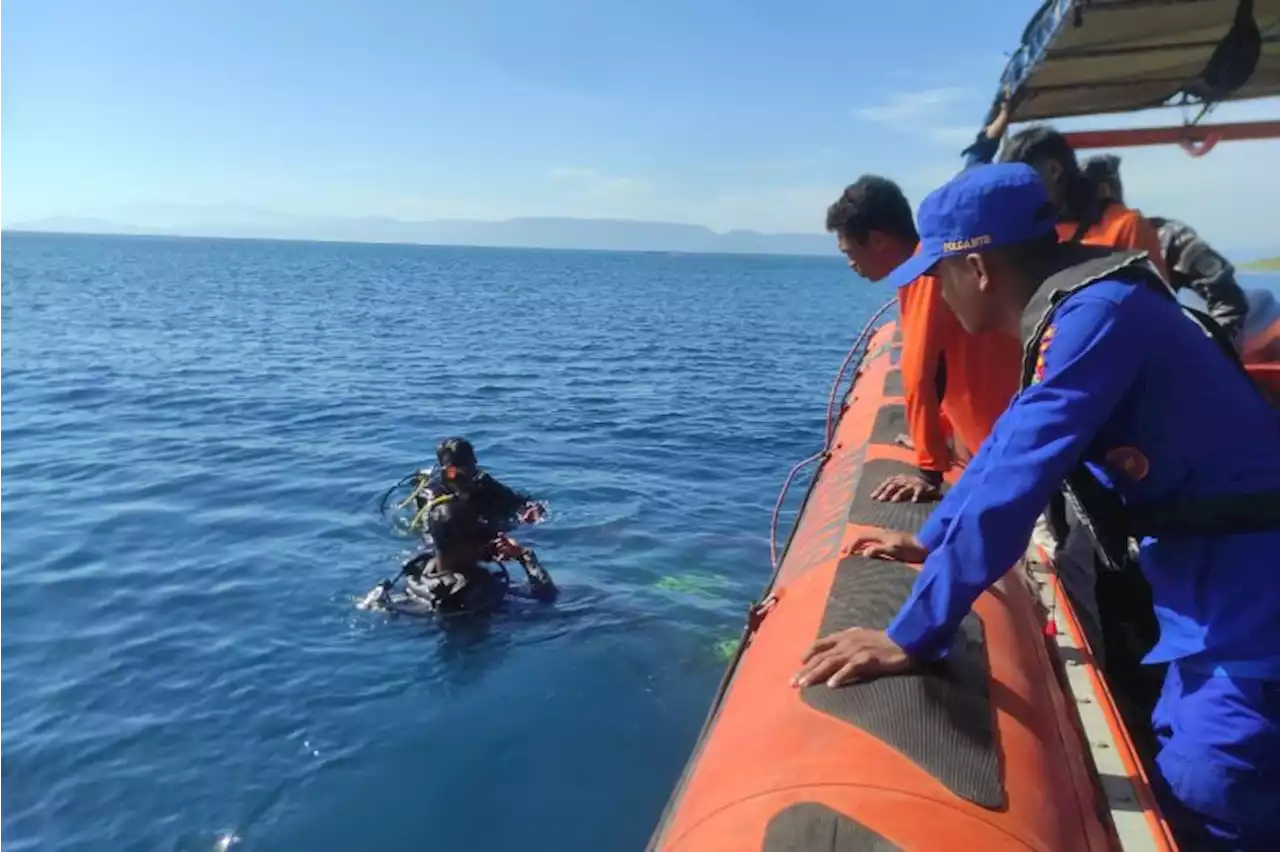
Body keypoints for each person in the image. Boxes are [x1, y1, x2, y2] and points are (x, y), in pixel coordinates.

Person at [794, 163, 1280, 850]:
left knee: (1219, 785)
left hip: (1249, 595)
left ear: (980, 268)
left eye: (938, 274)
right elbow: (1010, 442)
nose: (935, 292)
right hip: (1207, 584)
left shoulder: (1096, 318)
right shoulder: (1085, 304)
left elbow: (1017, 476)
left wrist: (910, 634)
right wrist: (934, 536)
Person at [825, 177, 1022, 503]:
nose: (850, 264)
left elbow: (920, 371)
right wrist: (940, 430)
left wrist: (928, 471)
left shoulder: (925, 276)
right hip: (1005, 430)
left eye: (850, 252)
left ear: (877, 240)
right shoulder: (938, 264)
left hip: (1000, 445)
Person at [1083, 153, 1250, 346]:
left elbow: (1227, 296)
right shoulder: (1060, 245)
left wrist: (1209, 352)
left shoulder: (1166, 237)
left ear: (1105, 192)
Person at [995, 126, 1172, 282]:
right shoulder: (1028, 234)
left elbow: (1156, 305)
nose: (1014, 195)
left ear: (1053, 171)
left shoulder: (1125, 226)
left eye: (1021, 182)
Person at [408, 437, 548, 608]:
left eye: (469, 470)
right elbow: (437, 537)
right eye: (453, 472)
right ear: (445, 470)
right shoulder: (432, 496)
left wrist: (532, 509)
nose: (461, 478)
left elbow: (521, 501)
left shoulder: (482, 483)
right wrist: (524, 556)